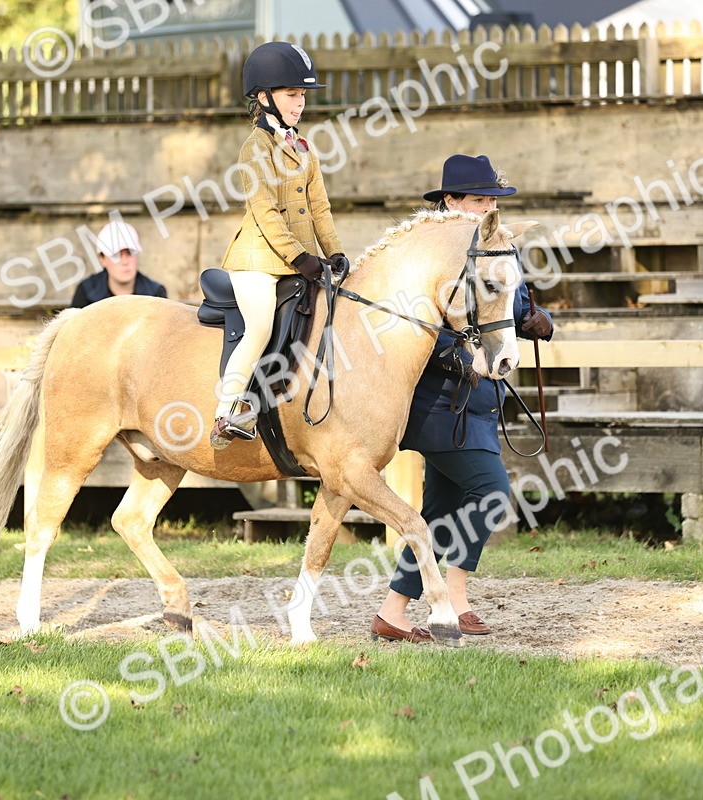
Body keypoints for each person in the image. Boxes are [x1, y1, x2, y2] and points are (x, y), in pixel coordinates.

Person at [370, 154, 554, 643]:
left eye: (492, 200)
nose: (488, 209)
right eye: (478, 200)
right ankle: (454, 597)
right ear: (450, 201)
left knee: (439, 512)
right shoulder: (426, 254)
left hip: (481, 400)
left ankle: (393, 612)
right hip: (439, 405)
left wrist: (538, 321)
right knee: (491, 491)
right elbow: (412, 327)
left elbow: (510, 308)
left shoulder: (494, 245)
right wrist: (459, 357)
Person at [208, 41, 346, 450]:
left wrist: (334, 252)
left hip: (298, 261)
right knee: (260, 325)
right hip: (257, 261)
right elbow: (265, 212)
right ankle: (226, 412)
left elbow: (319, 207)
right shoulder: (255, 147)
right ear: (264, 97)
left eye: (302, 94)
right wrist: (300, 257)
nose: (300, 102)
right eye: (291, 94)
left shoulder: (303, 147)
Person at [70, 219, 167, 308]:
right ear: (102, 259)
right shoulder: (86, 291)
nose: (125, 262)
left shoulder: (156, 294)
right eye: (115, 255)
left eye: (130, 253)